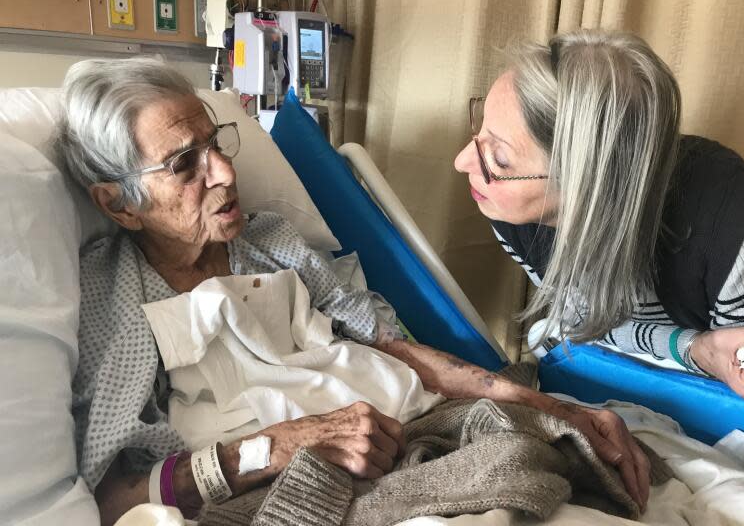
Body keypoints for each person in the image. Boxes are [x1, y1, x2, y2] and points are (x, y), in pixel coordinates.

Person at [57, 57, 649, 526]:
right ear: (118, 203)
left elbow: (385, 343)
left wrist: (555, 407)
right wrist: (271, 448)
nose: (225, 173)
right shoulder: (116, 295)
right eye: (187, 164)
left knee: (556, 452)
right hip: (296, 487)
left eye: (218, 144)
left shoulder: (271, 240)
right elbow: (114, 499)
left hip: (408, 427)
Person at [455, 30, 744, 401]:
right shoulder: (510, 212)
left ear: (589, 185)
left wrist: (703, 354)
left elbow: (734, 375)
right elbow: (583, 327)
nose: (463, 161)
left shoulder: (728, 225)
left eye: (499, 158)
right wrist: (692, 349)